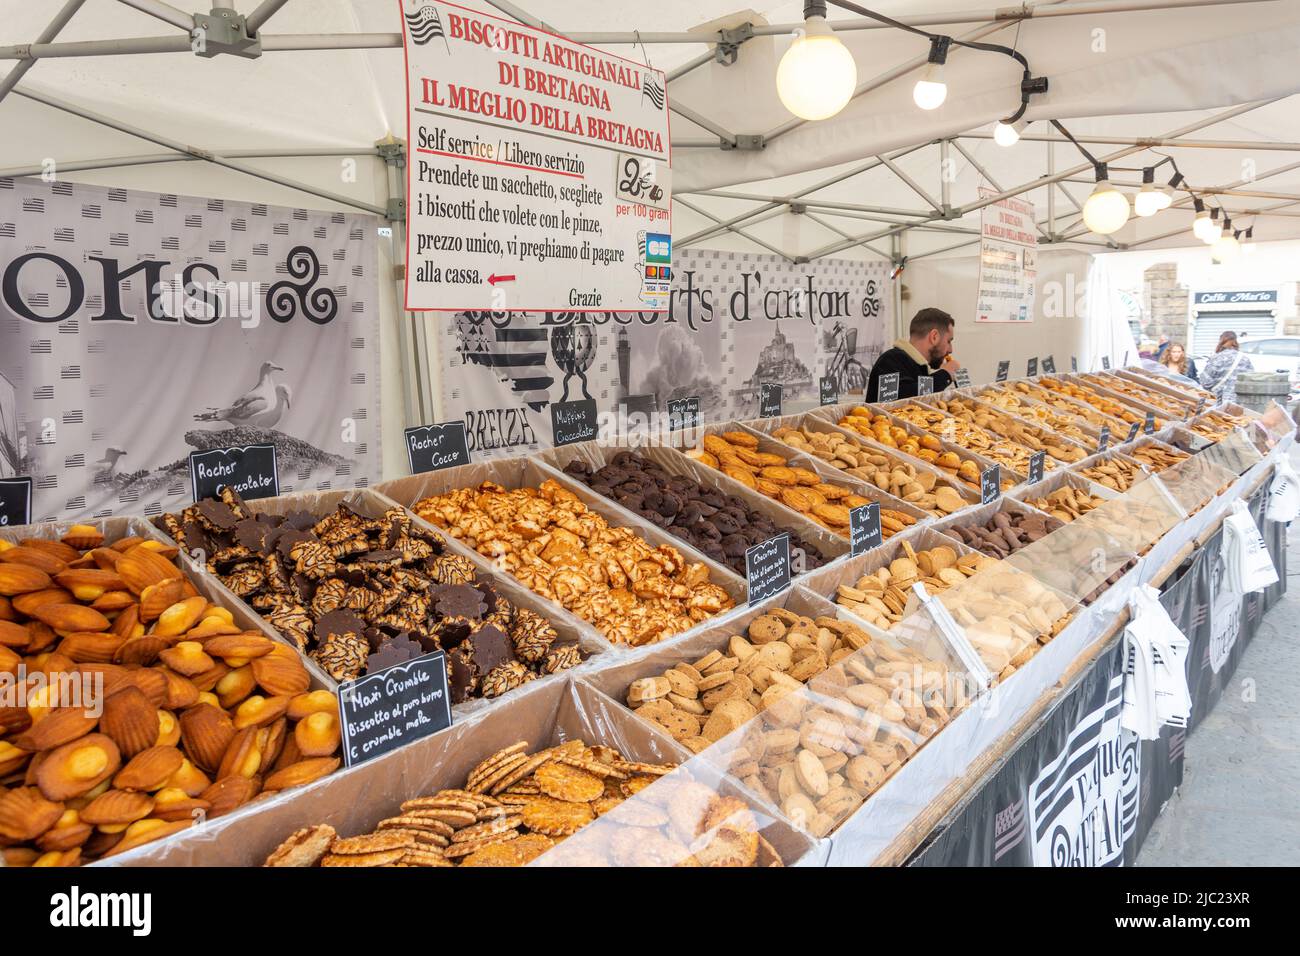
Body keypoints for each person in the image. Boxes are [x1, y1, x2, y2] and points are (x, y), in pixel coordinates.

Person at [867, 308, 960, 402]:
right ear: (934, 337)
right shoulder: (890, 360)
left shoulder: (921, 366)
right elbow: (902, 400)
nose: (950, 350)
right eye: (948, 341)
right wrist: (945, 374)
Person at [1199, 330, 1253, 403]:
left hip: (1218, 401)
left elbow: (1205, 382)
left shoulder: (1217, 358)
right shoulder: (1245, 359)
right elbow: (1250, 379)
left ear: (1221, 341)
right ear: (1236, 342)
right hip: (1239, 401)